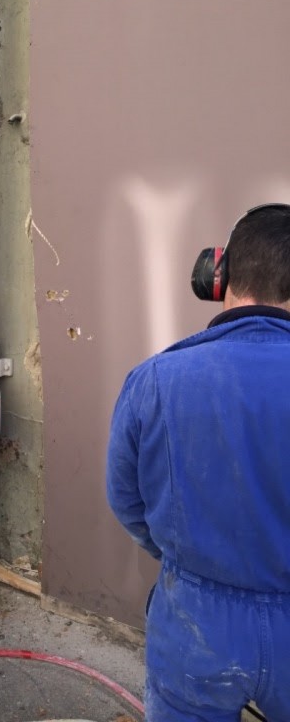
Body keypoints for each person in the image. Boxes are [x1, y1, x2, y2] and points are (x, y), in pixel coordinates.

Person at [106, 203, 290, 722]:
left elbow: (125, 499)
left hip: (194, 623)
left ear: (218, 275)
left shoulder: (154, 379)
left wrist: (181, 559)